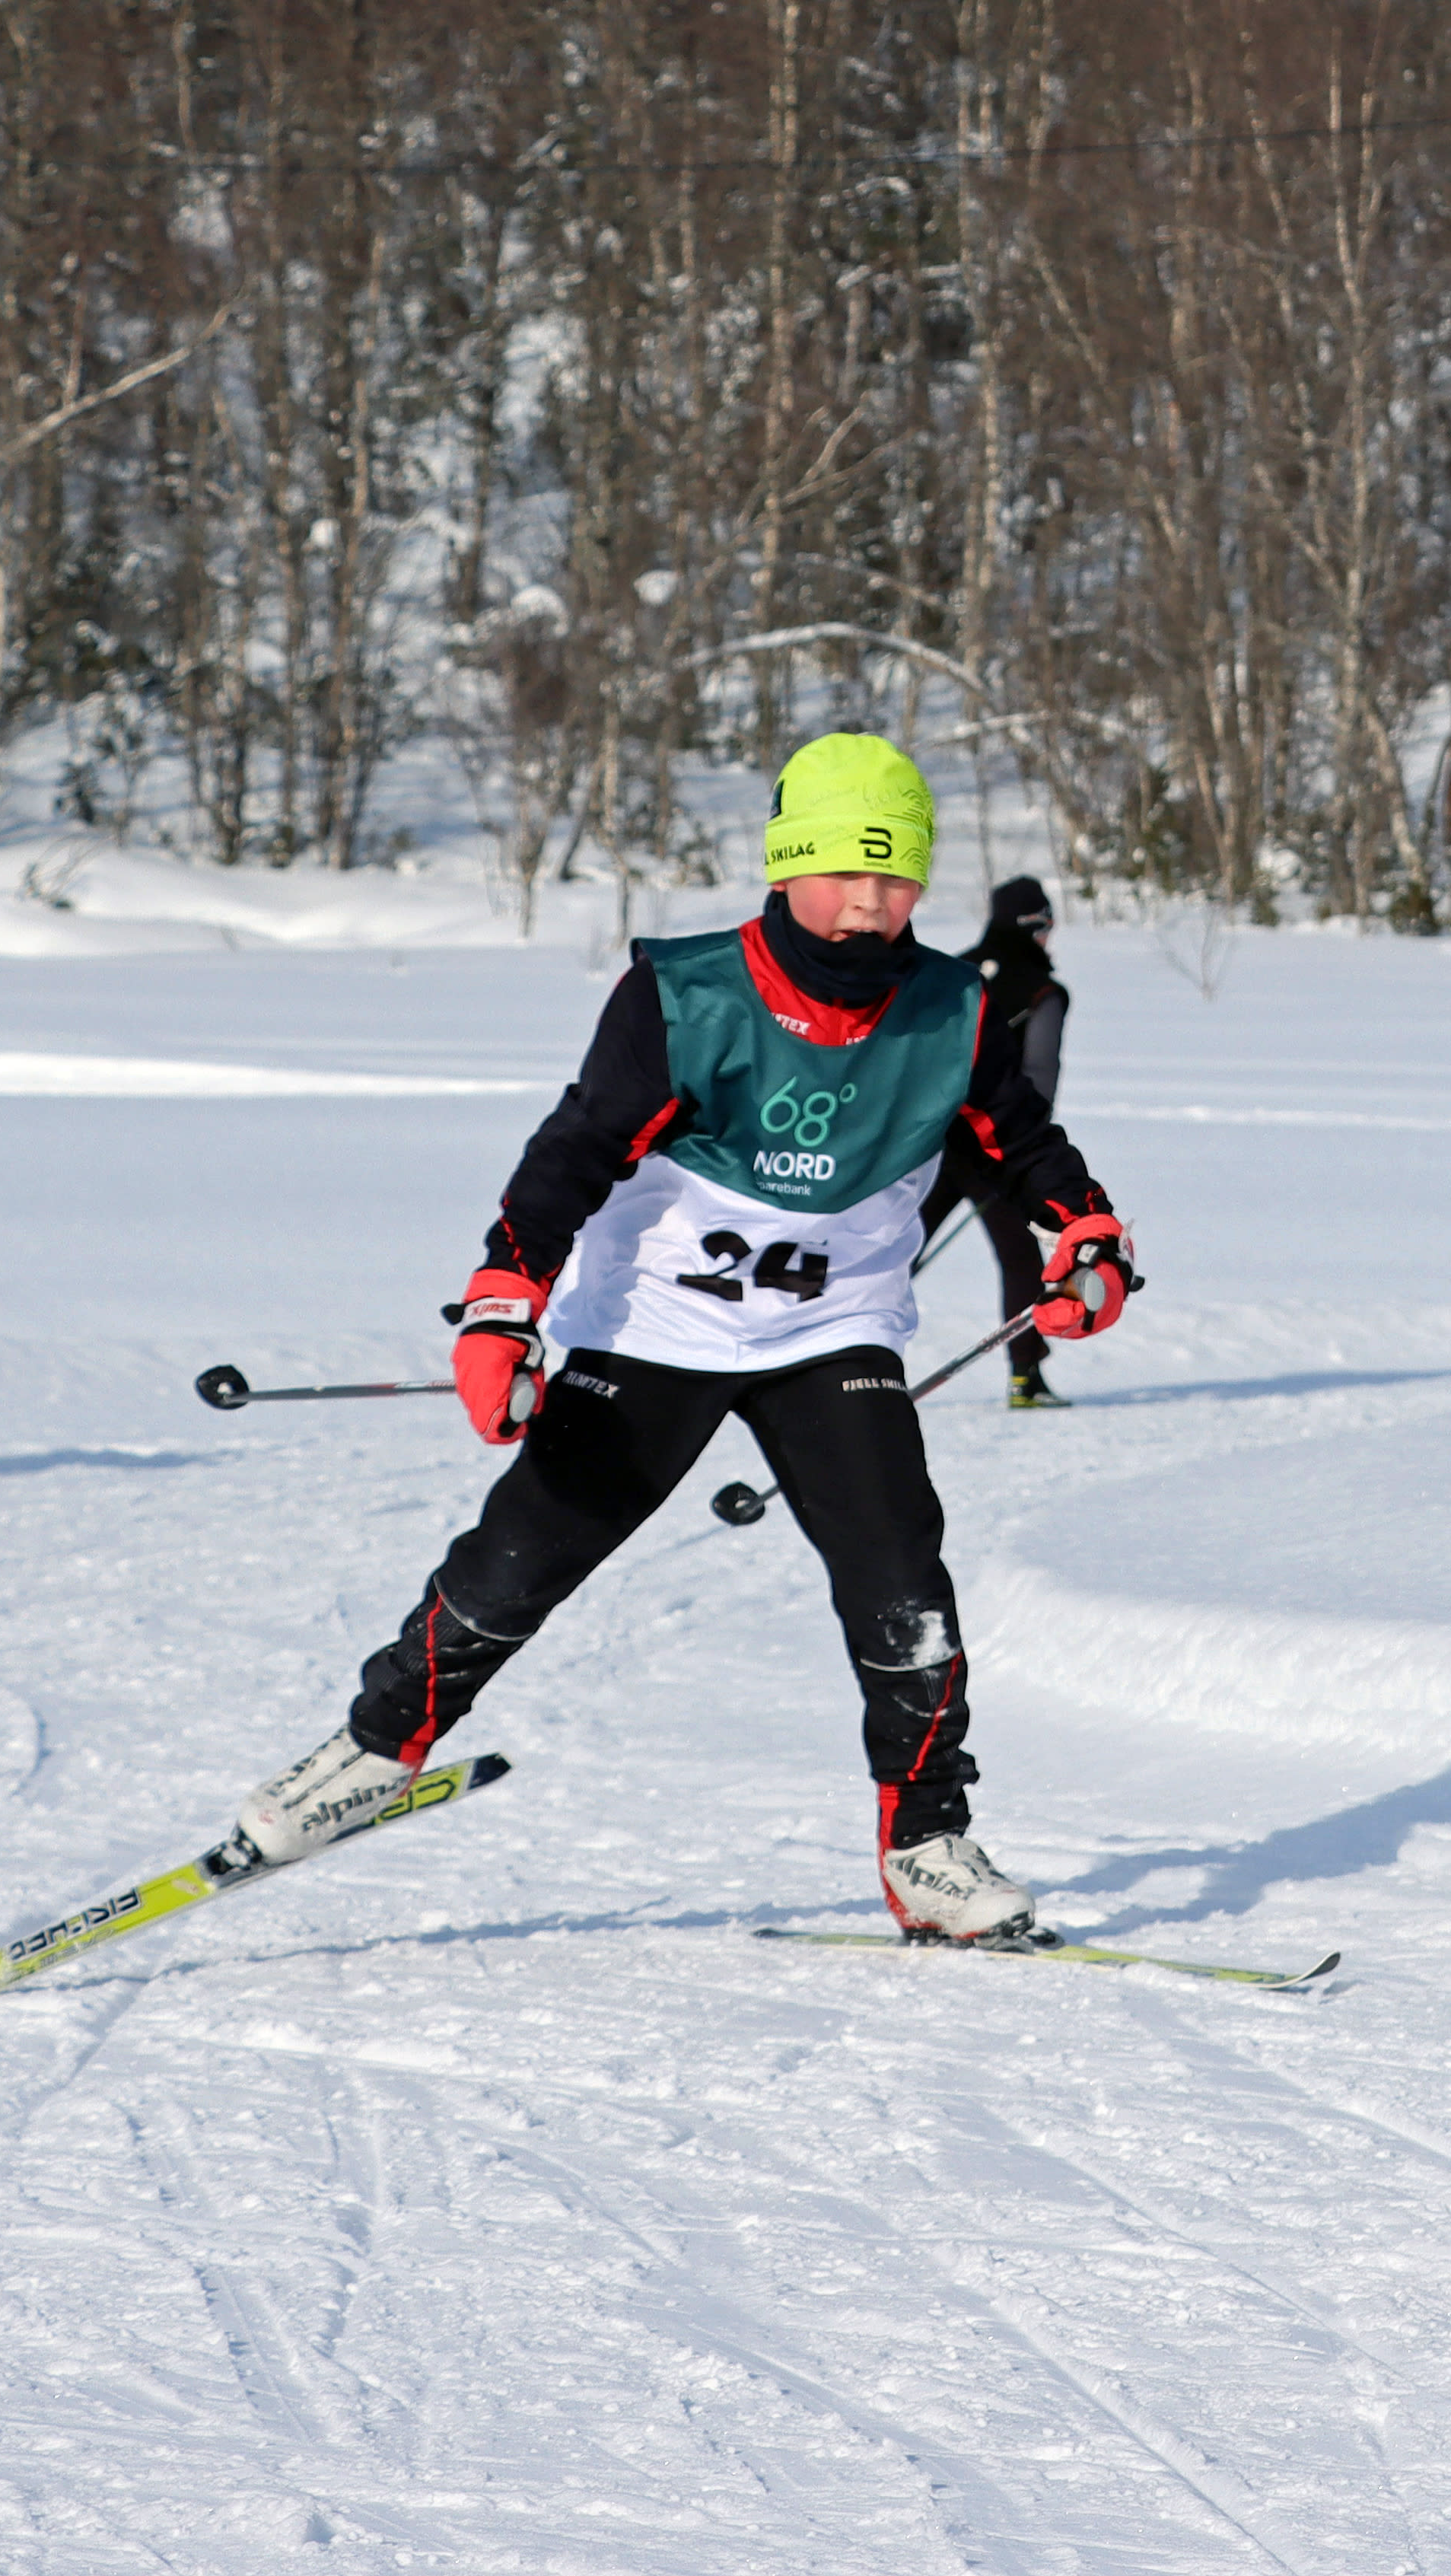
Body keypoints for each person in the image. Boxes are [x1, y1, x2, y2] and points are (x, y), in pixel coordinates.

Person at [221, 734, 1133, 1941]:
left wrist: (1086, 1231)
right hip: (657, 1325)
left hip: (833, 1330)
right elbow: (577, 1149)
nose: (870, 902)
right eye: (845, 872)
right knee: (523, 1555)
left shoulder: (950, 1010)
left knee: (903, 1582)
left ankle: (928, 1842)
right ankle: (372, 1750)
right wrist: (503, 1300)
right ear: (787, 865)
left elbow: (1021, 1139)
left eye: (896, 875)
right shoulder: (685, 992)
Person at [915, 875, 1080, 1408]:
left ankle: (823, 1366)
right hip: (996, 1149)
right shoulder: (1042, 991)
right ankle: (1025, 1377)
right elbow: (1039, 1072)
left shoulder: (952, 972)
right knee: (1020, 1260)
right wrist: (1030, 1148)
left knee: (887, 1251)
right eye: (1046, 924)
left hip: (930, 1143)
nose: (1050, 935)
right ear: (1032, 926)